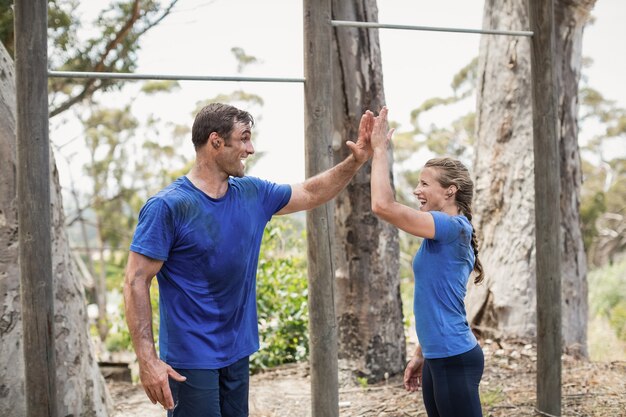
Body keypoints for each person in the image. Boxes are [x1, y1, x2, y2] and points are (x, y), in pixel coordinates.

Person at [123, 102, 374, 417]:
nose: (250, 148)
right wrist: (147, 361)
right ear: (216, 141)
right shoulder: (168, 206)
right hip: (191, 358)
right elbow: (135, 280)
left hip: (237, 351)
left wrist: (356, 160)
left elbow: (311, 192)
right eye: (243, 138)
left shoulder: (253, 193)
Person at [369, 107, 485, 417]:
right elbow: (436, 301)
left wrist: (379, 150)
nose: (417, 190)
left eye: (424, 184)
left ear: (450, 191)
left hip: (454, 357)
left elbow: (382, 205)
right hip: (438, 356)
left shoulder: (451, 228)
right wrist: (421, 354)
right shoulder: (439, 233)